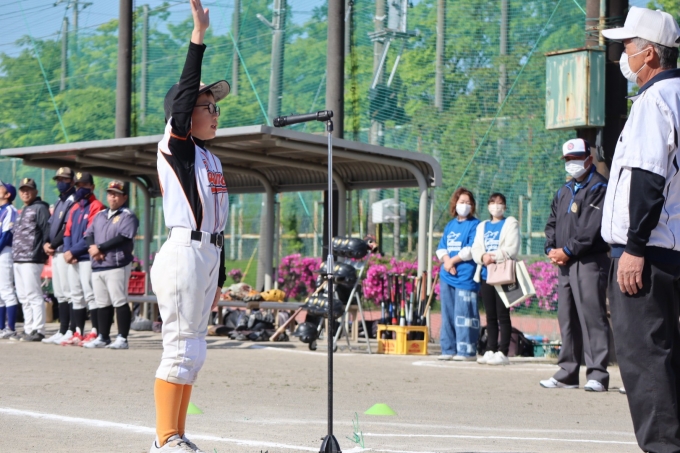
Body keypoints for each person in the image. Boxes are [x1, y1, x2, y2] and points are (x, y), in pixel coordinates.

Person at [149, 0, 230, 451]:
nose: (215, 112)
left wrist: (220, 274)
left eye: (216, 106)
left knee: (194, 351)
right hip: (182, 253)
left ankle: (178, 435)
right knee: (179, 346)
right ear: (183, 114)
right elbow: (181, 105)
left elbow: (218, 222)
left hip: (206, 255)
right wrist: (198, 37)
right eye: (206, 105)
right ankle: (165, 439)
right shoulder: (177, 146)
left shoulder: (210, 158)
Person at [601, 7, 680, 451]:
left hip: (646, 253)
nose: (622, 55)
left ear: (650, 53)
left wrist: (634, 247)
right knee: (668, 357)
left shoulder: (654, 100)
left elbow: (648, 178)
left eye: (628, 46)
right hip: (672, 248)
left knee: (645, 358)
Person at [541, 138, 610, 392]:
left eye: (577, 158)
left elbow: (590, 229)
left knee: (592, 316)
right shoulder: (564, 190)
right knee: (567, 317)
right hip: (565, 264)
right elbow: (552, 222)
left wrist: (567, 250)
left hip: (589, 261)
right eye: (568, 159)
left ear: (589, 159)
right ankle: (568, 373)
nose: (572, 163)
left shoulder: (599, 186)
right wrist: (551, 248)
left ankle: (598, 374)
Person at [84, 180, 139, 349]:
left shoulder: (127, 215)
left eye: (116, 194)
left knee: (119, 300)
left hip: (117, 264)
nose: (112, 197)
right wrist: (93, 248)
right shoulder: (100, 215)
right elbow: (89, 234)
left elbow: (123, 237)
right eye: (110, 193)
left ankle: (122, 338)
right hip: (98, 264)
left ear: (124, 197)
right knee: (102, 303)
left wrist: (100, 248)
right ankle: (103, 336)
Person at [472, 193, 520, 366]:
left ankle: (503, 352)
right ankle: (490, 349)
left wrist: (493, 256)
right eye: (493, 203)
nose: (496, 206)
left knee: (503, 314)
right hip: (486, 275)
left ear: (505, 207)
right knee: (490, 315)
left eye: (500, 203)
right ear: (488, 206)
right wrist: (482, 257)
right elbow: (476, 248)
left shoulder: (510, 223)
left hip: (502, 274)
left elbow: (512, 248)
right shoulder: (482, 226)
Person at [435, 188, 480, 361]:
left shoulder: (476, 225)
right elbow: (441, 248)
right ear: (455, 204)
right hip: (447, 276)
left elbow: (470, 249)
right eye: (462, 202)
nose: (465, 205)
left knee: (465, 314)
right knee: (447, 314)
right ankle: (448, 349)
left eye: (468, 202)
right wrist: (447, 261)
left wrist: (452, 261)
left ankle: (466, 351)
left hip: (465, 276)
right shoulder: (450, 225)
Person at [62, 172, 104, 346]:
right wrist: (67, 251)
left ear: (92, 187)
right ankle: (78, 331)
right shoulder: (75, 208)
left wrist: (72, 252)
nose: (81, 188)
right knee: (76, 295)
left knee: (90, 294)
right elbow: (67, 232)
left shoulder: (97, 206)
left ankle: (94, 331)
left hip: (87, 257)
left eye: (85, 185)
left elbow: (90, 233)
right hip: (74, 258)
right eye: (79, 185)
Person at [11, 178, 50, 342]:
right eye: (23, 190)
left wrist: (45, 249)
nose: (25, 192)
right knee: (23, 296)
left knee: (33, 295)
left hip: (32, 258)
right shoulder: (23, 210)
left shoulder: (40, 208)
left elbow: (46, 230)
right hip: (18, 258)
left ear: (35, 192)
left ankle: (38, 329)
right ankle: (29, 328)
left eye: (28, 189)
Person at [41, 167, 77, 345]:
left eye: (65, 179)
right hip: (55, 251)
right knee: (60, 293)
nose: (61, 182)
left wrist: (53, 244)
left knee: (69, 292)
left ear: (72, 181)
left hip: (64, 250)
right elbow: (50, 225)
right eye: (59, 179)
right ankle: (62, 330)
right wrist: (46, 242)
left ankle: (71, 329)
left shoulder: (73, 200)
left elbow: (67, 227)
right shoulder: (59, 200)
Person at [0, 181, 19, 339]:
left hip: (5, 251)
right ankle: (1, 327)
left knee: (6, 289)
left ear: (7, 195)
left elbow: (6, 235)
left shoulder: (10, 210)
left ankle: (11, 328)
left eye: (1, 188)